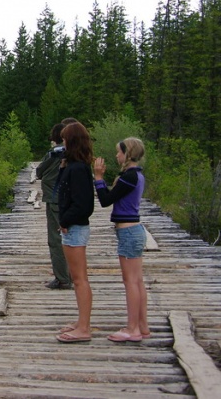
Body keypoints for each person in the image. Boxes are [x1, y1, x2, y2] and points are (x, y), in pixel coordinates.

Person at [93, 137, 150, 342]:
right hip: (134, 231)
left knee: (130, 282)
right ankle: (142, 325)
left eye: (119, 152)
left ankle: (132, 329)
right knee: (137, 281)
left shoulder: (128, 177)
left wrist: (98, 178)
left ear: (128, 154)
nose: (117, 155)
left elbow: (106, 200)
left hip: (128, 232)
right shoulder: (137, 175)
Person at [55, 121, 95, 343]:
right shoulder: (74, 166)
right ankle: (81, 322)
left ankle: (84, 328)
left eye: (64, 139)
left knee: (80, 280)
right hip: (72, 228)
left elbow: (84, 205)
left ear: (71, 141)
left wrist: (65, 220)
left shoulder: (78, 169)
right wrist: (62, 167)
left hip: (75, 228)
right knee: (77, 278)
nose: (62, 143)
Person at [36, 123, 71, 289]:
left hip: (54, 200)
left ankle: (62, 279)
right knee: (70, 238)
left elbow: (39, 172)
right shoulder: (73, 153)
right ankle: (70, 275)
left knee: (56, 240)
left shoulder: (54, 153)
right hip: (68, 200)